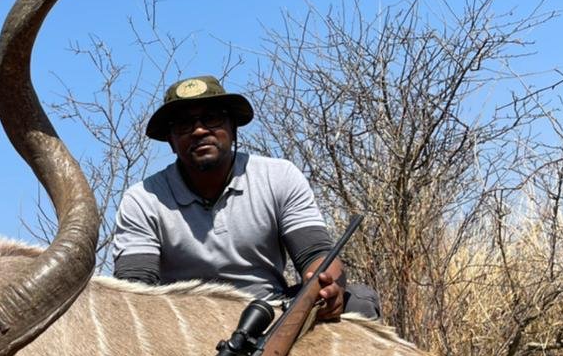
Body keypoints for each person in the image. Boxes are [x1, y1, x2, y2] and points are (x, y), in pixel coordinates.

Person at [113, 75, 381, 320]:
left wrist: (325, 286)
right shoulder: (143, 198)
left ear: (233, 129)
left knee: (359, 301)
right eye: (184, 124)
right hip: (184, 322)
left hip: (269, 310)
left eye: (212, 118)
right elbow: (136, 286)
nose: (198, 131)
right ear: (171, 141)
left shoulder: (279, 176)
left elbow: (315, 253)